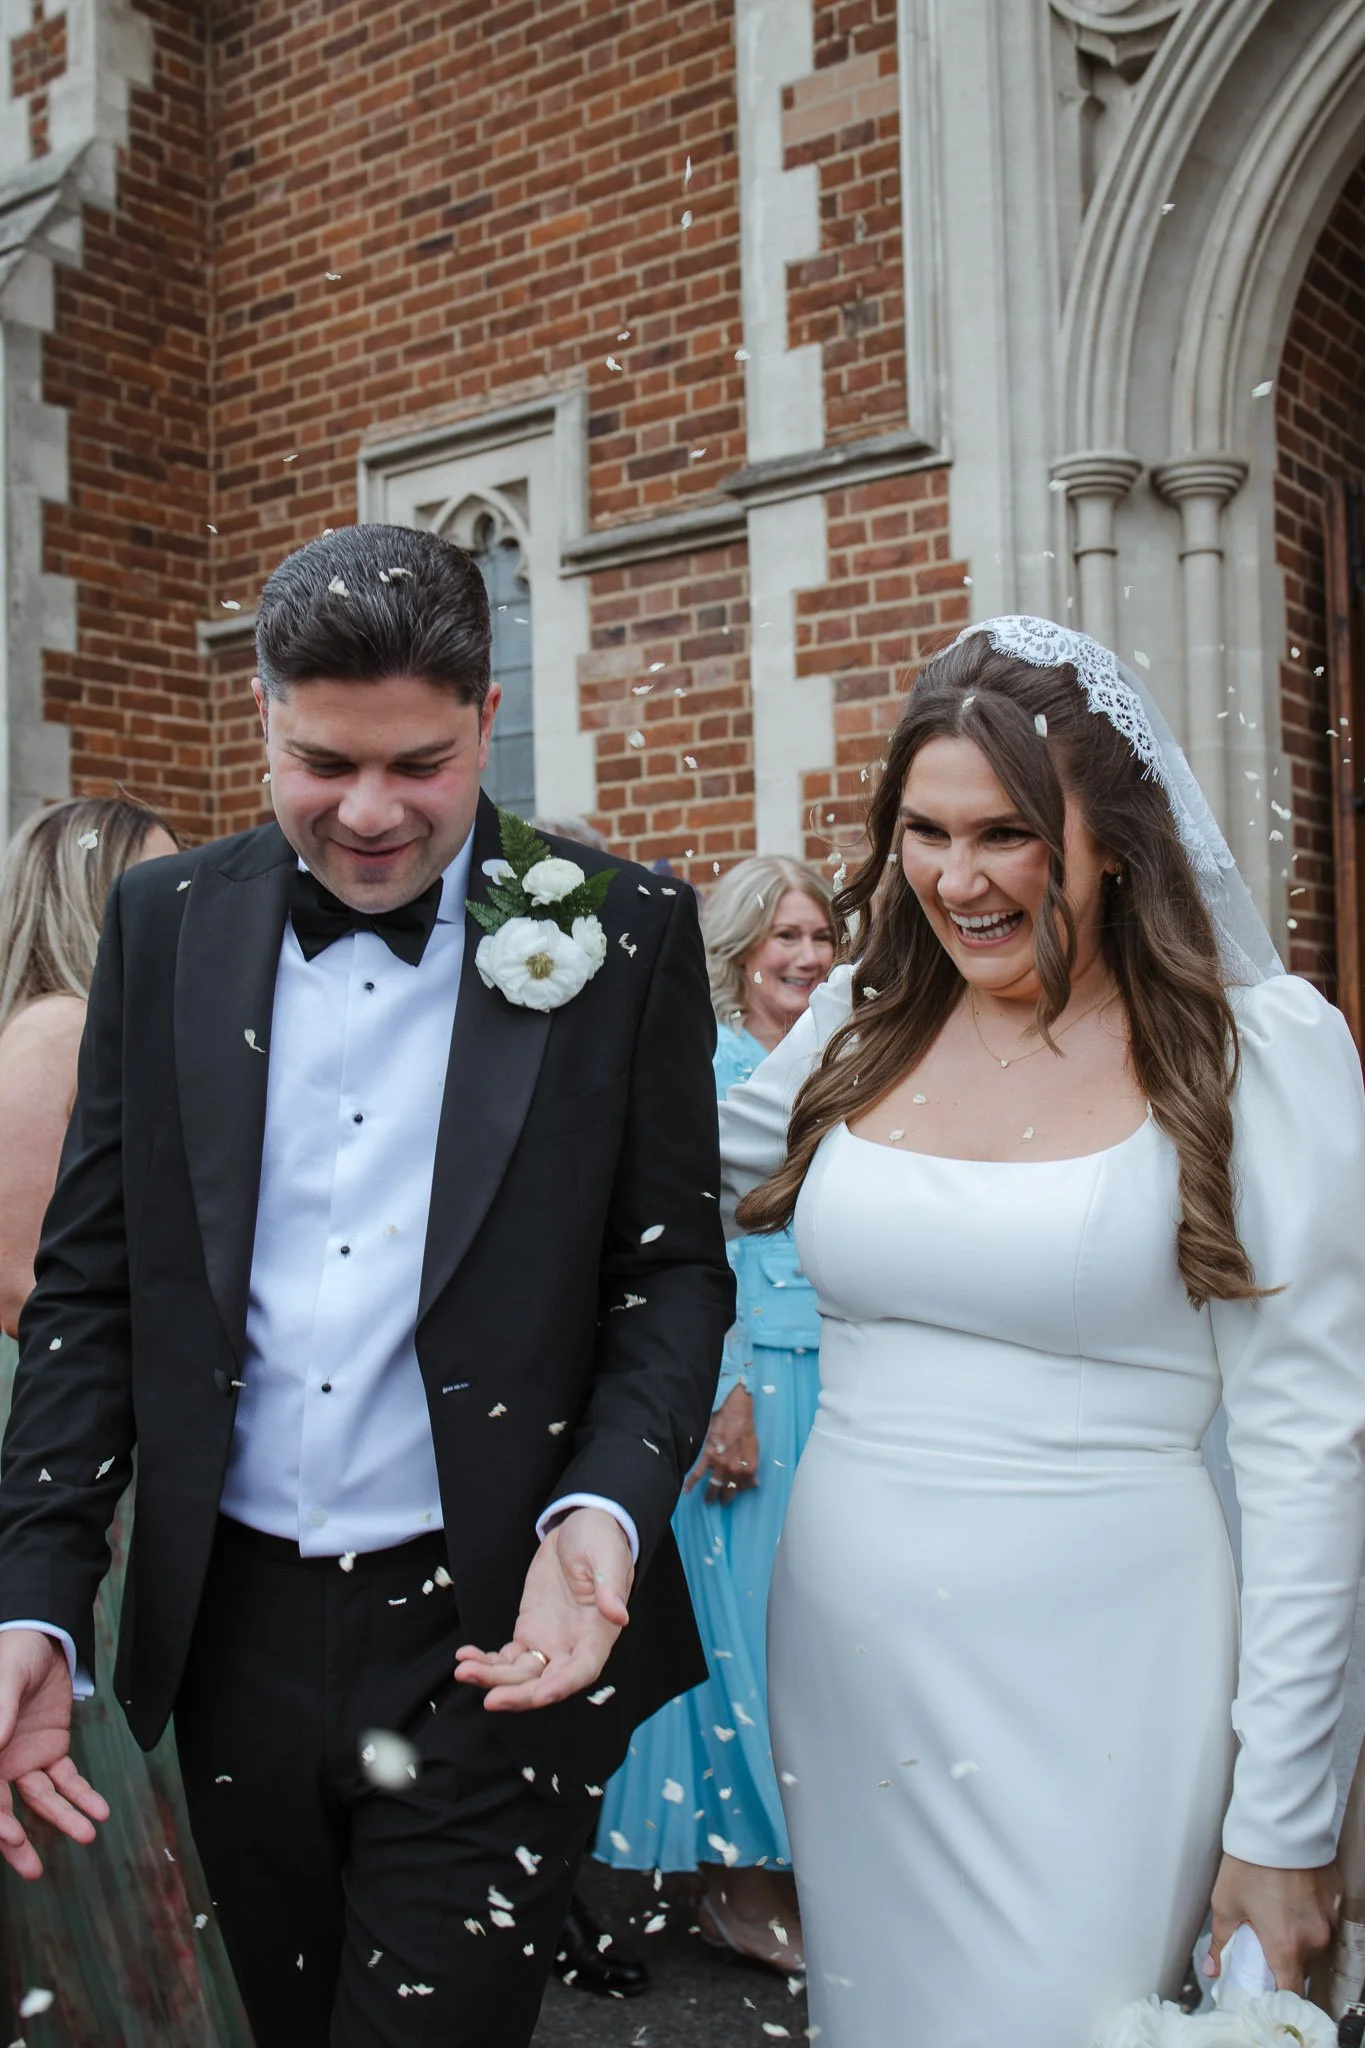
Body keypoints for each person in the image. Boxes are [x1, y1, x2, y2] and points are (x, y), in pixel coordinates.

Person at [0, 522, 734, 2048]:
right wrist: (37, 1600)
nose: (373, 812)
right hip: (232, 1624)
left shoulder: (620, 930)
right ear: (263, 715)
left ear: (484, 719)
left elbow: (667, 1282)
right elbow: (89, 1290)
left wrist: (594, 1517)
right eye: (325, 762)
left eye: (420, 763)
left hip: (491, 1629)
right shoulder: (165, 926)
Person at [718, 617, 1365, 2048]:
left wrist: (1285, 1816)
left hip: (1109, 1668)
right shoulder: (861, 1022)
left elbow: (1311, 1454)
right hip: (847, 1658)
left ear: (1112, 842)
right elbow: (649, 1167)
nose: (957, 879)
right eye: (925, 833)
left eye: (1007, 835)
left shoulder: (1248, 1057)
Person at [0, 797, 254, 2044]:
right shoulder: (53, 1038)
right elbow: (28, 1290)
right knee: (106, 1782)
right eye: (157, 884)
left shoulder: (117, 1033)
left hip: (138, 1437)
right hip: (84, 1458)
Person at [596, 856, 834, 1974]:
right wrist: (724, 1387)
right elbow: (695, 1244)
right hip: (754, 1379)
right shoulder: (716, 1064)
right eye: (784, 933)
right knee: (745, 1638)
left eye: (822, 934)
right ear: (741, 947)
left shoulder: (838, 1057)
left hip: (840, 1372)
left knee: (816, 1635)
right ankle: (738, 1887)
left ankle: (812, 1869)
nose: (807, 954)